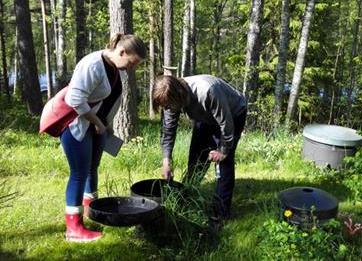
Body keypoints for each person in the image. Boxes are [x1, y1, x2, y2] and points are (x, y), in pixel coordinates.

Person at [60, 34, 146, 242]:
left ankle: (92, 211)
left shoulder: (118, 68)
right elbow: (74, 100)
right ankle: (74, 228)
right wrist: (98, 123)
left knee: (92, 168)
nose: (131, 68)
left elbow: (108, 99)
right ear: (122, 52)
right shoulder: (92, 65)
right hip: (76, 126)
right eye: (132, 62)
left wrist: (105, 124)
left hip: (96, 127)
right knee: (79, 174)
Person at [153, 74, 247, 221]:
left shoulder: (208, 91)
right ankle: (188, 200)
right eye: (165, 107)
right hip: (204, 116)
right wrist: (166, 159)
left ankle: (220, 214)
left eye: (168, 106)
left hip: (233, 113)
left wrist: (223, 151)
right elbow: (168, 130)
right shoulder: (170, 98)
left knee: (223, 164)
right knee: (196, 160)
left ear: (179, 97)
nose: (167, 109)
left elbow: (226, 124)